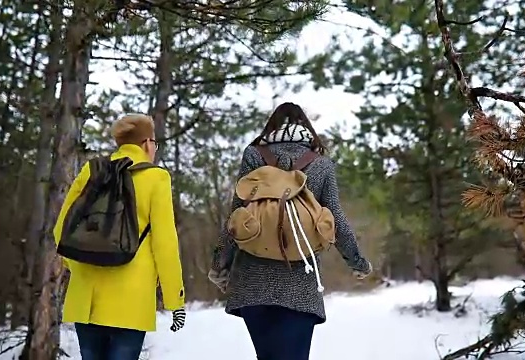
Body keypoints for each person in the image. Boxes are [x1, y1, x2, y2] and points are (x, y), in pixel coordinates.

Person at [208, 102, 373, 360]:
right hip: (301, 284)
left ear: (271, 127)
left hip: (253, 284)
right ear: (306, 129)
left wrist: (219, 264)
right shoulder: (321, 164)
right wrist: (357, 261)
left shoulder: (253, 155)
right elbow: (336, 219)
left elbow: (236, 215)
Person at [53, 114, 186, 360]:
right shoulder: (156, 177)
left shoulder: (92, 171)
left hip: (86, 298)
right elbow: (165, 244)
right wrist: (174, 300)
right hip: (131, 301)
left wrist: (80, 264)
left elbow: (61, 229)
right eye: (154, 144)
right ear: (147, 143)